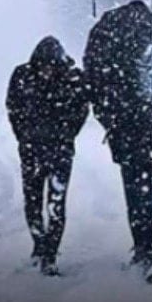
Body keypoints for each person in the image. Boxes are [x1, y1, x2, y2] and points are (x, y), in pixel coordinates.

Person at [83, 0, 152, 280]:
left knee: (135, 193)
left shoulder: (108, 41)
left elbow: (95, 86)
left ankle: (142, 246)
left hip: (129, 135)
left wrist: (112, 123)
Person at [6, 36, 89, 276]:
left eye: (50, 66)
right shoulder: (23, 76)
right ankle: (39, 244)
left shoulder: (72, 80)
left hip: (58, 151)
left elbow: (82, 110)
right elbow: (13, 108)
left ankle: (50, 253)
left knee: (56, 204)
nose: (46, 71)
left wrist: (66, 135)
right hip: (33, 149)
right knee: (32, 202)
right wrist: (24, 136)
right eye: (42, 66)